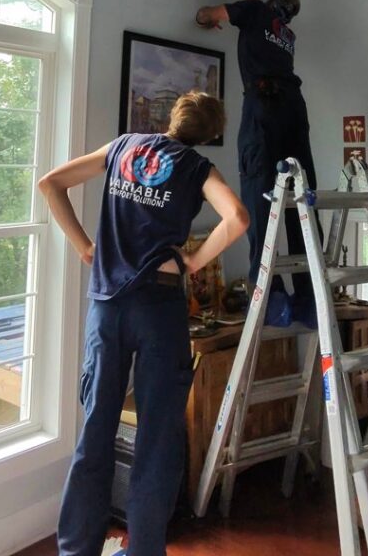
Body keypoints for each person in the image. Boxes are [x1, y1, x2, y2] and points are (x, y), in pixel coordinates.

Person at [39, 91, 249, 556]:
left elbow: (50, 184)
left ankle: (76, 550)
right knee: (158, 438)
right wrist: (194, 261)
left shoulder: (123, 147)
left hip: (108, 306)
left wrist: (83, 246)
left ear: (173, 118)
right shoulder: (197, 168)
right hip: (159, 307)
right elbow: (236, 218)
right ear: (210, 134)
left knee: (96, 430)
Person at [196, 0, 318, 325]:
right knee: (301, 197)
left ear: (270, 1)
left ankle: (270, 296)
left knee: (258, 191)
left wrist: (207, 18)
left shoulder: (253, 13)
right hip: (294, 108)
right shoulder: (287, 34)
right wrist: (253, 4)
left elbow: (206, 15)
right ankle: (310, 298)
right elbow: (264, 24)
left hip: (263, 106)